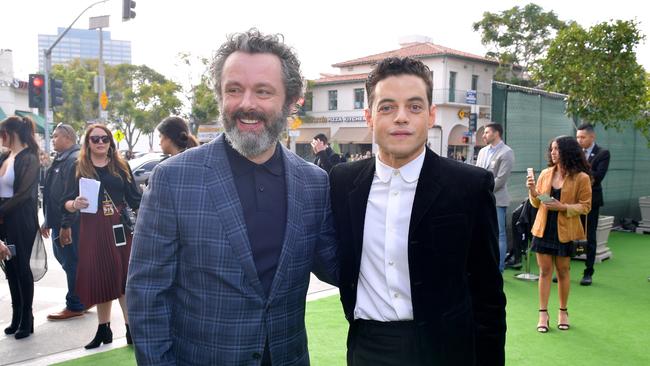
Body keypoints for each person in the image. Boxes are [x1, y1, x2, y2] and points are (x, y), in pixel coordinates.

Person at [126, 29, 338, 365]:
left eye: (263, 91)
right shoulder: (173, 179)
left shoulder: (314, 183)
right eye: (234, 90)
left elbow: (340, 266)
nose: (246, 104)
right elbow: (147, 295)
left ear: (290, 99)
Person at [330, 57, 506, 366]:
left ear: (430, 115)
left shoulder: (470, 186)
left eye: (414, 107)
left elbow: (488, 294)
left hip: (446, 348)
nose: (401, 118)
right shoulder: (343, 182)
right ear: (369, 116)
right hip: (368, 347)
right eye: (387, 107)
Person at [61, 124, 141, 349]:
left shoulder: (121, 165)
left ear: (110, 142)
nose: (100, 143)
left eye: (104, 139)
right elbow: (65, 203)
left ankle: (130, 329)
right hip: (93, 228)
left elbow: (135, 198)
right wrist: (74, 204)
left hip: (119, 228)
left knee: (123, 278)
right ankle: (103, 330)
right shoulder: (78, 168)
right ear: (87, 143)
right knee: (103, 278)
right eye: (94, 139)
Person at [526, 136, 591, 333]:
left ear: (567, 151)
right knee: (545, 272)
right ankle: (543, 314)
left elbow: (586, 206)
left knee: (563, 271)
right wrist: (532, 191)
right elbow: (536, 204)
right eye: (551, 149)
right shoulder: (546, 173)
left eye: (556, 149)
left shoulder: (582, 177)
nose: (552, 153)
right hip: (543, 227)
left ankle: (563, 311)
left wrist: (563, 207)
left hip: (566, 230)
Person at [0, 116, 40, 339]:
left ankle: (27, 318)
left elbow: (24, 194)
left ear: (11, 133)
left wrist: (1, 212)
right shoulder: (6, 156)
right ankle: (17, 316)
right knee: (11, 270)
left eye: (2, 133)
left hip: (20, 220)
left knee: (22, 269)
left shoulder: (29, 157)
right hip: (5, 219)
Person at [40, 124, 86, 320]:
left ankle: (75, 304)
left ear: (68, 137)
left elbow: (72, 195)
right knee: (69, 262)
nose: (53, 138)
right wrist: (47, 220)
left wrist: (66, 225)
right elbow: (51, 194)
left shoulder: (73, 160)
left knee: (71, 262)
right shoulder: (62, 159)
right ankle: (81, 299)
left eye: (56, 135)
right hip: (59, 221)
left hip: (69, 223)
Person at [476, 123, 515, 272]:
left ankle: (498, 268)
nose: (483, 135)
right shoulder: (483, 151)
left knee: (499, 234)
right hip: (480, 198)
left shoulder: (507, 152)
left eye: (486, 132)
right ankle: (483, 264)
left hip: (497, 199)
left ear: (496, 133)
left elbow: (501, 179)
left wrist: (484, 190)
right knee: (481, 231)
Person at [576, 123, 610, 286]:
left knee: (589, 236)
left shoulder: (602, 153)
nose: (579, 140)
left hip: (591, 201)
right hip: (573, 200)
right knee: (570, 234)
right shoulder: (575, 153)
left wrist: (581, 169)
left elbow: (597, 177)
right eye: (577, 137)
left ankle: (588, 272)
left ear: (592, 137)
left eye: (582, 137)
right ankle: (564, 269)